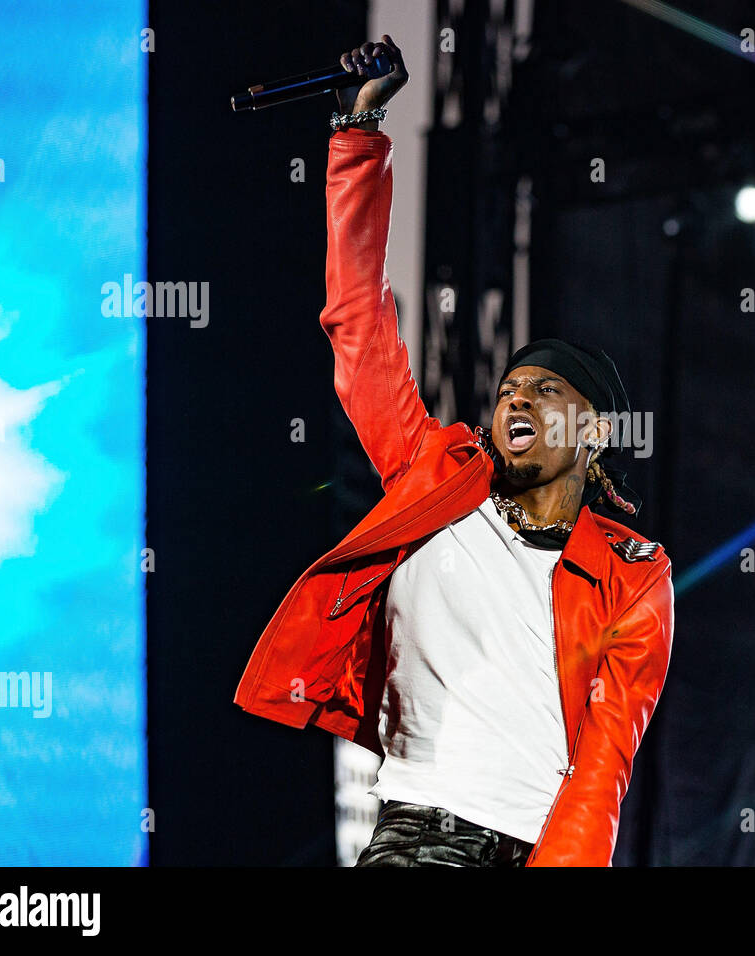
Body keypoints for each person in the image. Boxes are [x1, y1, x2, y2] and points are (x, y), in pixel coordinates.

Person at [233, 35, 675, 867]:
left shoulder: (633, 569)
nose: (516, 398)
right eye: (510, 387)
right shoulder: (432, 470)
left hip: (542, 842)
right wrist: (356, 135)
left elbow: (606, 757)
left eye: (547, 392)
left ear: (596, 431)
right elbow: (358, 318)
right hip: (423, 836)